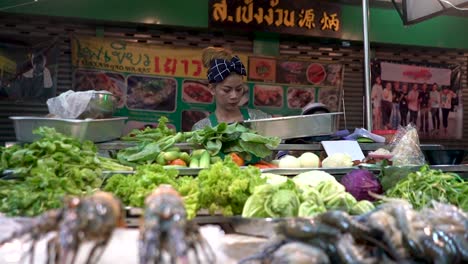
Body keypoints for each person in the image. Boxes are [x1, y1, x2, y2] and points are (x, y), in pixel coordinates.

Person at [192, 47, 270, 131]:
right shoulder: (202, 129)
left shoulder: (260, 119)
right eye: (227, 90)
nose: (234, 96)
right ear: (212, 89)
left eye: (239, 89)